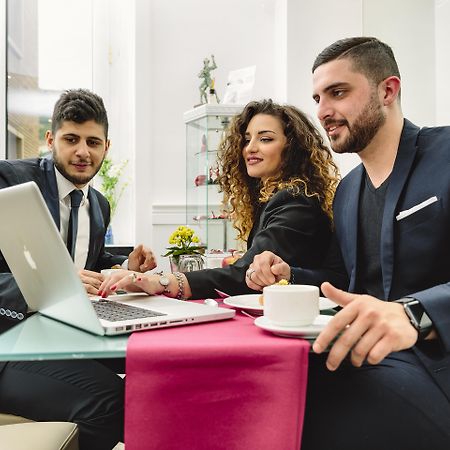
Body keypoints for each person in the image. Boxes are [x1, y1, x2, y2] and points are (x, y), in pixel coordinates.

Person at [246, 37, 450, 450]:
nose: (323, 111)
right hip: (365, 357)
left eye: (338, 93)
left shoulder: (445, 154)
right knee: (253, 386)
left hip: (435, 365)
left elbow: (402, 310)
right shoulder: (347, 191)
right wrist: (289, 276)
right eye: (318, 97)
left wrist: (415, 316)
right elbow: (342, 279)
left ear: (387, 90)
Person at [0, 89, 155, 450]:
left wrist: (123, 265)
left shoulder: (98, 204)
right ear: (51, 139)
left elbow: (85, 263)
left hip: (62, 338)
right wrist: (48, 286)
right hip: (9, 343)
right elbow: (57, 274)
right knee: (115, 402)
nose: (83, 151)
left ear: (106, 146)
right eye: (71, 139)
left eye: (92, 142)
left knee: (152, 379)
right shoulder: (10, 181)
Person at [98, 99, 345, 301]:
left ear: (291, 147)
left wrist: (163, 281)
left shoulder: (294, 201)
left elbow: (244, 275)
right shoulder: (279, 196)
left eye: (265, 138)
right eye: (247, 139)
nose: (250, 148)